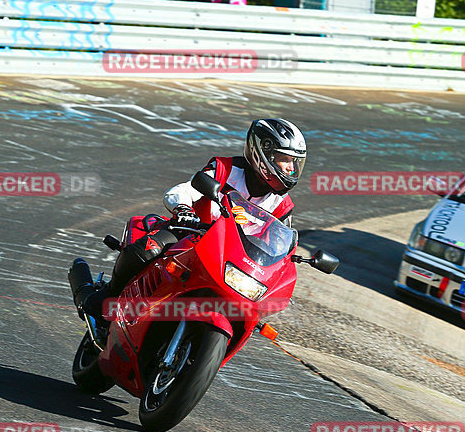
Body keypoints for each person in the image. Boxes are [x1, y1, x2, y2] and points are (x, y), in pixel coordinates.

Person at [77, 118, 306, 326]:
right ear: (262, 153)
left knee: (252, 313)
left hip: (236, 259)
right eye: (285, 159)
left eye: (295, 162)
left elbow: (281, 243)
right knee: (149, 249)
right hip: (193, 233)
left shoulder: (283, 205)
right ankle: (107, 297)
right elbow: (182, 191)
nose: (291, 168)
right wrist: (183, 209)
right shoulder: (225, 169)